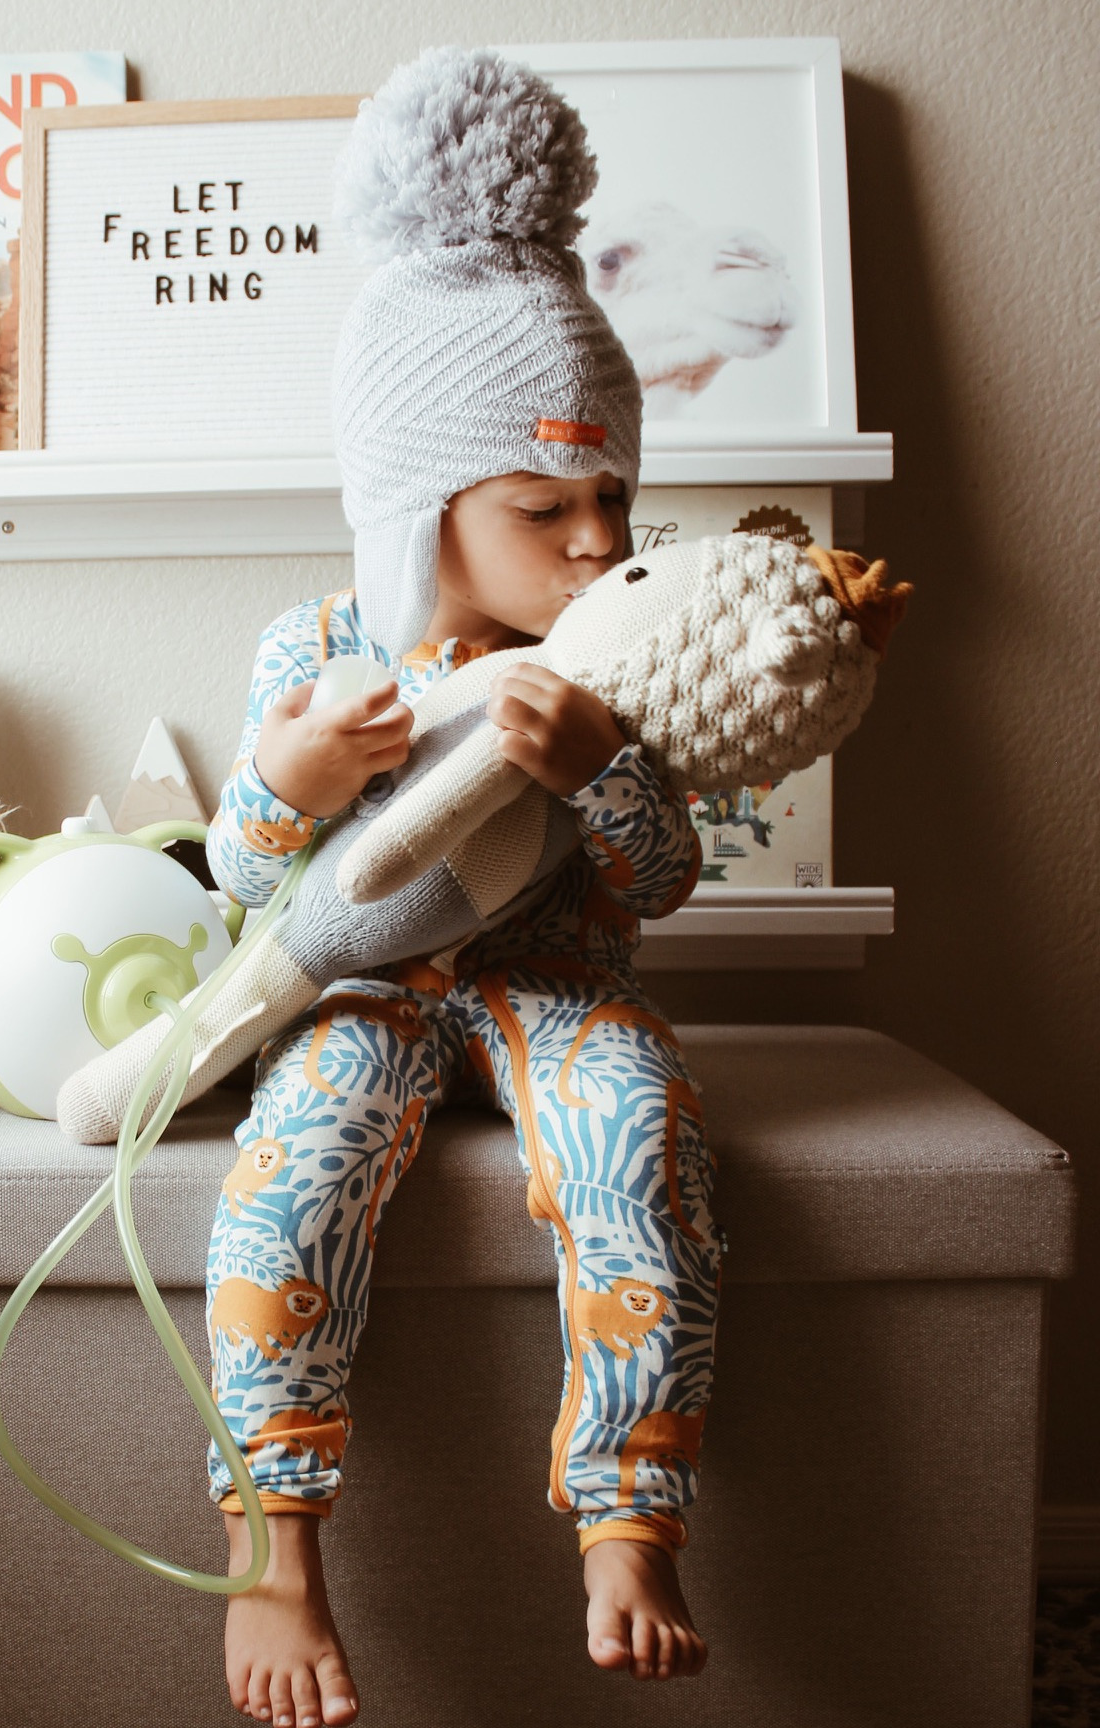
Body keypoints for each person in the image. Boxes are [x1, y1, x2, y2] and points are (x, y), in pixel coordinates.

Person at [201, 49, 719, 1727]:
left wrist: (603, 771)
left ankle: (628, 1515)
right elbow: (249, 878)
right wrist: (296, 778)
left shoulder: (614, 670)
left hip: (556, 979)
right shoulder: (320, 652)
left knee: (634, 1128)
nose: (593, 541)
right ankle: (274, 1543)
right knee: (299, 1158)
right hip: (365, 984)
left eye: (614, 500)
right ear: (418, 514)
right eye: (543, 506)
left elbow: (663, 880)